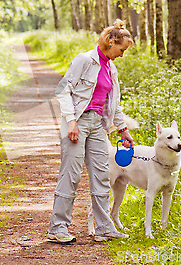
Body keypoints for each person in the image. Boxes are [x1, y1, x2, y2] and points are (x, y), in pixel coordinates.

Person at [47, 19, 135, 243]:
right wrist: (71, 121)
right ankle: (57, 228)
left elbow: (113, 102)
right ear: (110, 42)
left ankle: (104, 228)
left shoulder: (111, 68)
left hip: (98, 126)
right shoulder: (85, 60)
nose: (122, 55)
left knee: (102, 175)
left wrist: (122, 128)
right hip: (77, 122)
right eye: (121, 50)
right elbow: (63, 90)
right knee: (71, 175)